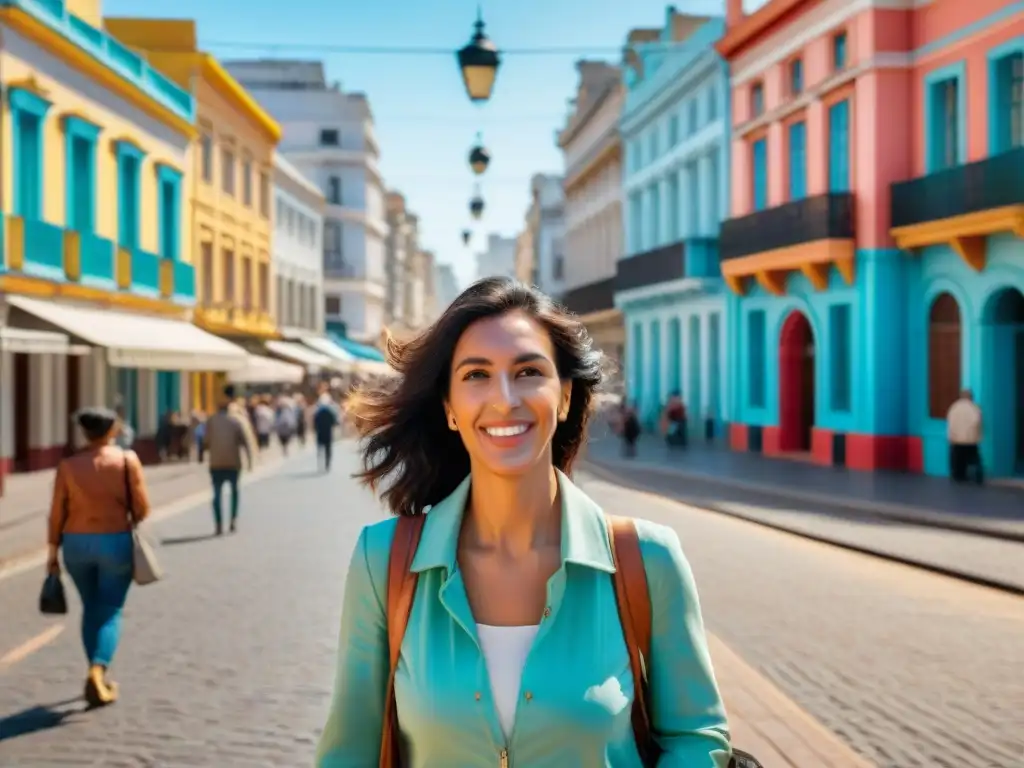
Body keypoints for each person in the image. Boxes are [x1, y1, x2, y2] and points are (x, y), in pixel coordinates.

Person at [316, 277, 730, 766]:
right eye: (476, 375)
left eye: (529, 371)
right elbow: (350, 753)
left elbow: (696, 737)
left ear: (566, 396)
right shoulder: (382, 564)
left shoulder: (649, 560)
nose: (505, 398)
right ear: (449, 408)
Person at [47, 407, 152, 707]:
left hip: (76, 544)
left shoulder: (68, 465)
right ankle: (97, 669)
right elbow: (143, 508)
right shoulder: (126, 460)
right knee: (109, 610)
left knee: (91, 608)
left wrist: (52, 553)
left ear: (84, 432)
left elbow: (56, 514)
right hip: (114, 541)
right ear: (112, 431)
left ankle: (96, 672)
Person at [203, 385, 253, 535]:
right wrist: (250, 461)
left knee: (217, 494)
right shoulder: (237, 420)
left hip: (216, 462)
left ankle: (218, 523)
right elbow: (245, 441)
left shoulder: (211, 421)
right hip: (233, 462)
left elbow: (205, 441)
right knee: (234, 492)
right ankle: (233, 521)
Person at [947, 389, 983, 483]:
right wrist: (978, 436)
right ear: (970, 397)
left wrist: (951, 436)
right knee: (974, 459)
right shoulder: (974, 408)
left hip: (957, 439)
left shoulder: (954, 407)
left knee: (958, 459)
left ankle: (959, 476)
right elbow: (977, 422)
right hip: (970, 439)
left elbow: (951, 423)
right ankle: (977, 476)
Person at [312, 386, 340, 471]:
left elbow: (315, 422)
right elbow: (334, 422)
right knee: (328, 448)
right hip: (328, 432)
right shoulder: (330, 411)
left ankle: (321, 463)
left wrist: (315, 428)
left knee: (320, 448)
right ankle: (327, 463)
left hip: (320, 432)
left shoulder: (318, 412)